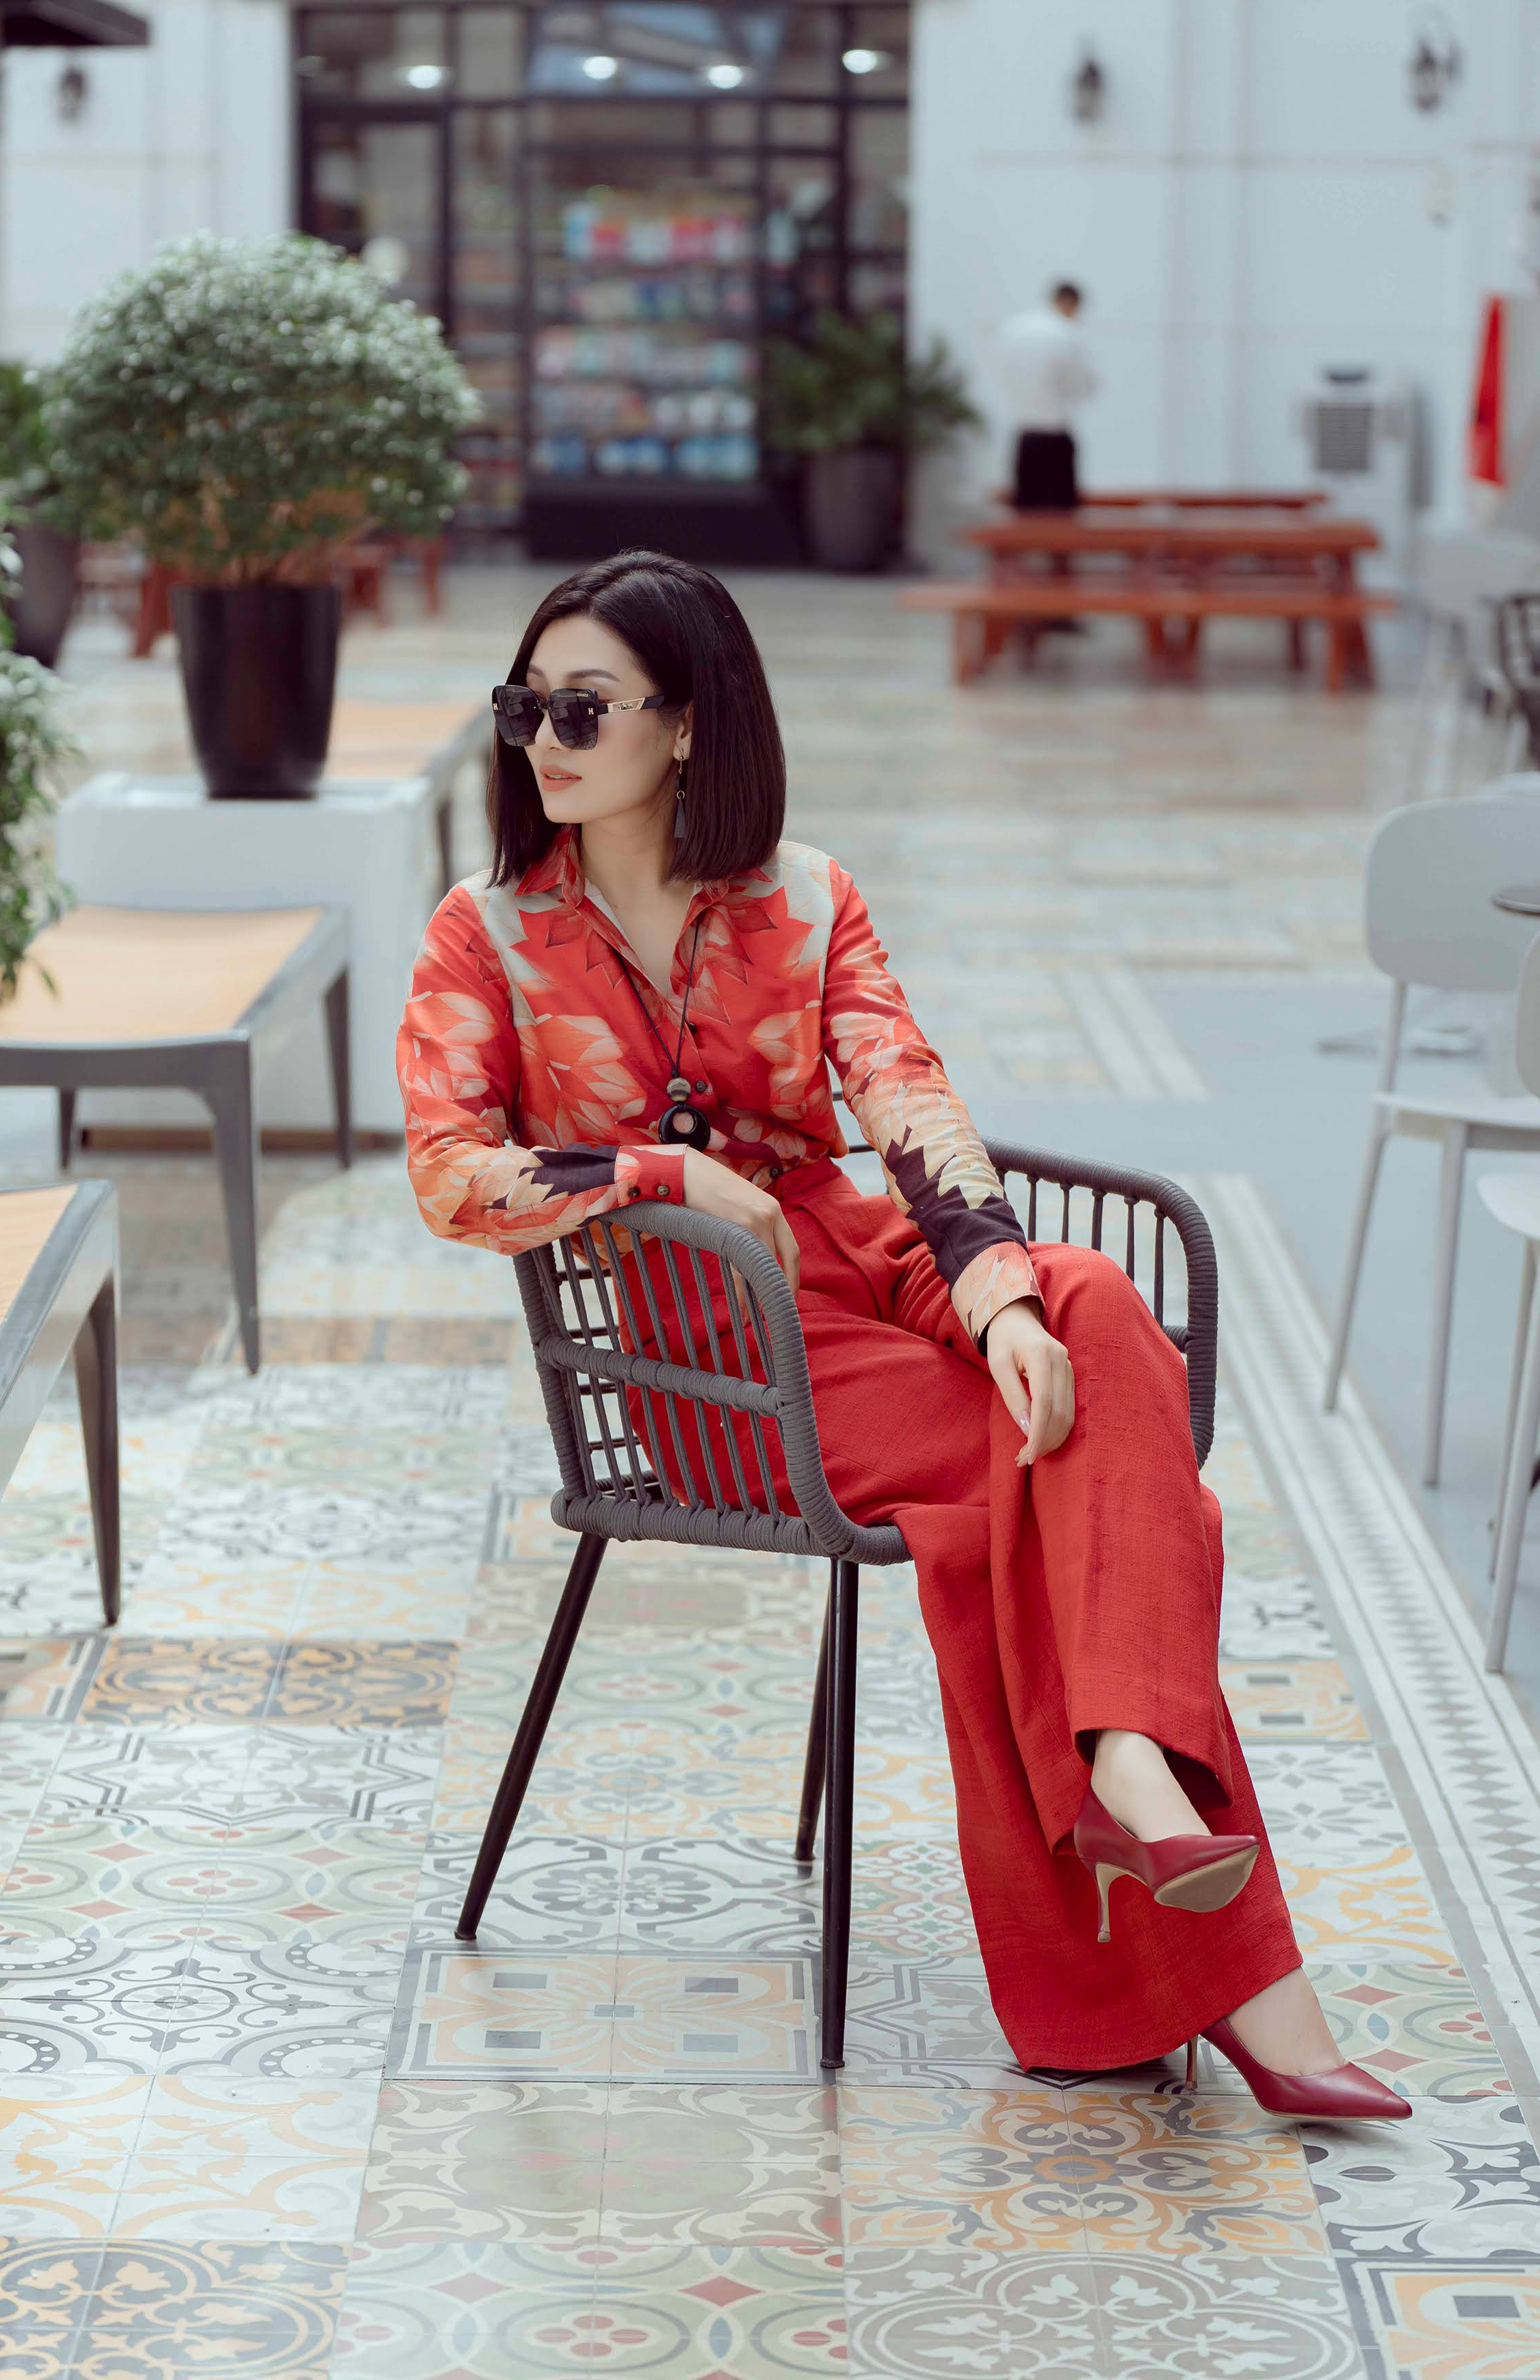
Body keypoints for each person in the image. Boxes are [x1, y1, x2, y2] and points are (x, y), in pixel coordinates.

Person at [395, 549, 1407, 2120]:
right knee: (1059, 1476)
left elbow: (904, 1092)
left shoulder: (804, 896)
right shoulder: (488, 932)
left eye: (582, 706)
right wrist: (668, 1174)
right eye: (525, 706)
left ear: (686, 720)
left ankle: (1127, 1760)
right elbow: (449, 1171)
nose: (545, 738)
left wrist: (994, 1292)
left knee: (1089, 1309)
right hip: (705, 1342)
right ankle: (1226, 1943)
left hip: (862, 1255)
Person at [1000, 279, 1096, 512]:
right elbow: (1081, 385)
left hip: (1025, 434)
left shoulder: (1013, 329)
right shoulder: (1064, 333)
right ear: (1071, 304)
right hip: (1055, 433)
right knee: (1061, 513)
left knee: (1026, 512)